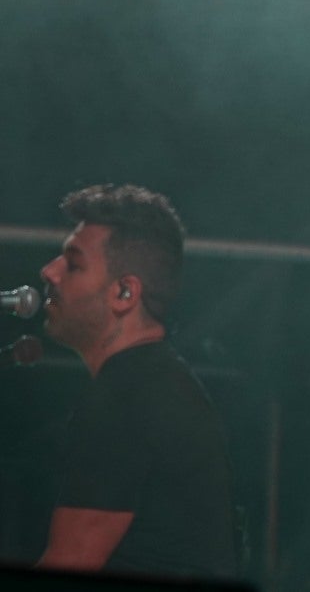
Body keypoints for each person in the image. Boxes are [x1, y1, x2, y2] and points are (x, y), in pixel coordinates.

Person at [35, 183, 239, 580]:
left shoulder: (125, 398)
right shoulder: (156, 382)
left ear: (124, 292)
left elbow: (71, 563)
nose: (49, 271)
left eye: (73, 264)